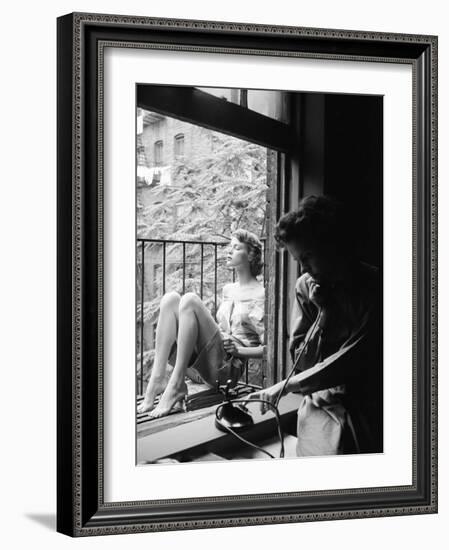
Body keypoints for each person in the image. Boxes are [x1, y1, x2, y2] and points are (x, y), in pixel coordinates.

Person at [248, 195, 382, 456]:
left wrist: (287, 385)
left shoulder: (374, 286)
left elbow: (353, 359)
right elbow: (301, 362)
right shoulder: (306, 288)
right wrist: (323, 314)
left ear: (331, 245)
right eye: (298, 261)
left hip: (367, 401)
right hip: (319, 401)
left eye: (308, 257)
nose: (303, 269)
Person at [137, 229, 265, 419]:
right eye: (229, 247)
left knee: (189, 299)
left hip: (226, 370)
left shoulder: (261, 294)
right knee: (170, 299)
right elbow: (218, 330)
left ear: (251, 255)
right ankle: (158, 378)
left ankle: (175, 383)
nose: (229, 251)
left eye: (236, 248)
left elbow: (268, 349)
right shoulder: (228, 289)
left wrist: (240, 351)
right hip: (203, 366)